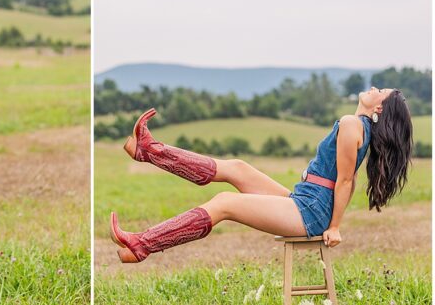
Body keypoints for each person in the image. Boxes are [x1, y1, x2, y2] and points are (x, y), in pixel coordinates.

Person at [110, 87, 412, 263]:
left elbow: (346, 180)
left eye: (379, 91)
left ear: (380, 107)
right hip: (306, 200)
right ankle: (148, 150)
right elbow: (347, 178)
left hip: (310, 212)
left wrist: (334, 227)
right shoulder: (359, 127)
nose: (373, 89)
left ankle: (142, 244)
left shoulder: (351, 124)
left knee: (225, 202)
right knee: (237, 168)